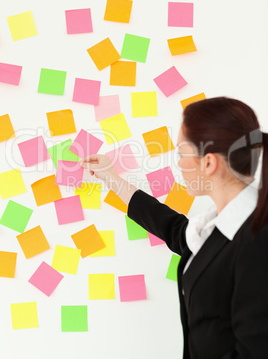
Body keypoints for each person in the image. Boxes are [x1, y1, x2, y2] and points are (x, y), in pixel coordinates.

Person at [80, 96, 268, 359]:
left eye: (181, 153)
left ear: (209, 163)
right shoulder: (218, 228)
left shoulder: (257, 241)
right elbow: (175, 230)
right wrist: (112, 179)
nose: (178, 164)